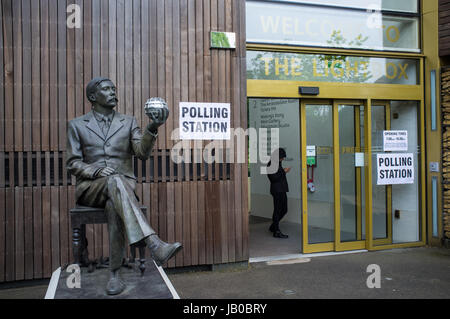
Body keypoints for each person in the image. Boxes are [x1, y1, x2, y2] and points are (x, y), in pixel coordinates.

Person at [66, 77, 182, 295]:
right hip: (90, 188)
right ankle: (154, 243)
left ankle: (114, 274)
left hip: (120, 189)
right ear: (93, 97)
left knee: (114, 203)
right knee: (114, 181)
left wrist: (152, 127)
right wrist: (96, 170)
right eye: (106, 89)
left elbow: (142, 153)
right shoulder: (77, 125)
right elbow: (72, 163)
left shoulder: (128, 122)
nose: (112, 92)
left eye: (114, 89)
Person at [267, 148, 291, 238]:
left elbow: (277, 174)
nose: (283, 159)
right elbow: (273, 178)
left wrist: (283, 171)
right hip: (277, 190)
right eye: (282, 157)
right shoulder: (271, 164)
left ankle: (274, 226)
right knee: (277, 210)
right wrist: (284, 171)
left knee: (284, 209)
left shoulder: (277, 163)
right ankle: (276, 231)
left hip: (282, 189)